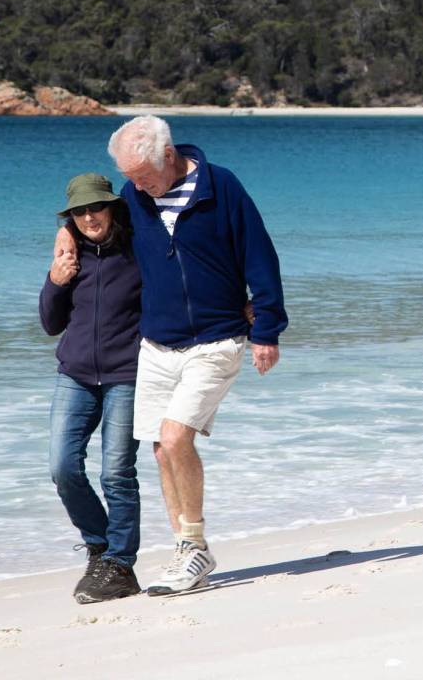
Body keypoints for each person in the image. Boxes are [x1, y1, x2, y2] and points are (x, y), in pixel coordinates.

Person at [59, 114, 289, 595]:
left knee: (175, 436)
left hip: (217, 338)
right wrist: (65, 237)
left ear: (167, 156)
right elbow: (102, 239)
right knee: (162, 449)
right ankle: (187, 551)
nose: (136, 186)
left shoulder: (220, 186)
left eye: (142, 175)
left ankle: (196, 545)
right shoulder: (134, 196)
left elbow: (259, 256)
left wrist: (267, 326)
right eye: (130, 176)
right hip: (157, 344)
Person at [40, 173, 143, 603]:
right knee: (62, 467)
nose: (88, 217)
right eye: (78, 212)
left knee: (116, 473)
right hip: (75, 375)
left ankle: (120, 565)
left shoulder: (138, 249)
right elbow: (50, 324)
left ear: (112, 207)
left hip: (128, 374)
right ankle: (99, 547)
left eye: (95, 207)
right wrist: (55, 281)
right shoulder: (71, 256)